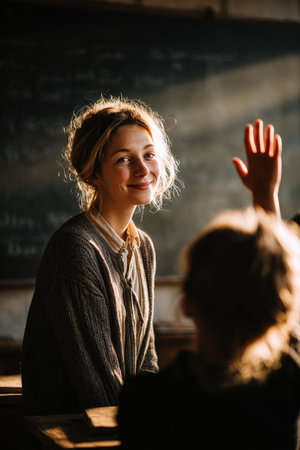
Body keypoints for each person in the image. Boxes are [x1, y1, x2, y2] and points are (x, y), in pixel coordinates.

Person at [117, 122, 300, 450]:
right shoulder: (285, 385)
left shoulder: (144, 401)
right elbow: (273, 285)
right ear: (277, 311)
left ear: (187, 302)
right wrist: (264, 196)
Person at [21, 96, 178, 415]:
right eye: (124, 159)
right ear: (94, 173)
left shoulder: (142, 246)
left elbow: (146, 362)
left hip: (123, 424)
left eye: (148, 154)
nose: (143, 169)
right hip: (72, 430)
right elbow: (98, 387)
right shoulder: (75, 247)